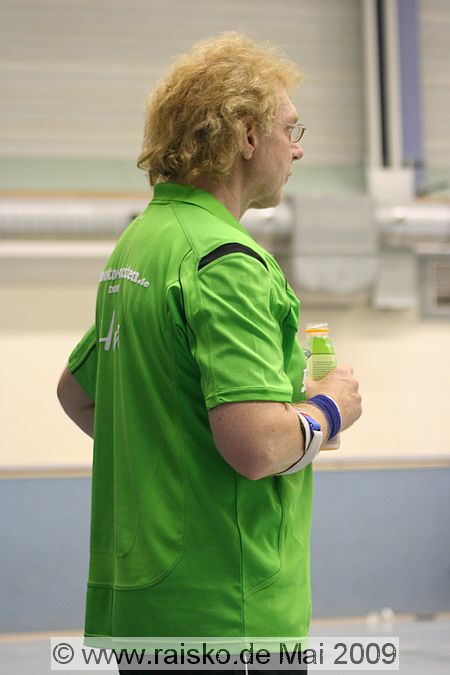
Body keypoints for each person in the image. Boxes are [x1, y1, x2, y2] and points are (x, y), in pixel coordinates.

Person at [57, 33, 362, 674]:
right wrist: (331, 408)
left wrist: (175, 452)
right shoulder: (227, 262)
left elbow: (78, 394)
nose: (298, 147)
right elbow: (255, 447)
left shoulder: (140, 246)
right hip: (228, 616)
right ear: (247, 136)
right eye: (289, 128)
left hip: (143, 609)